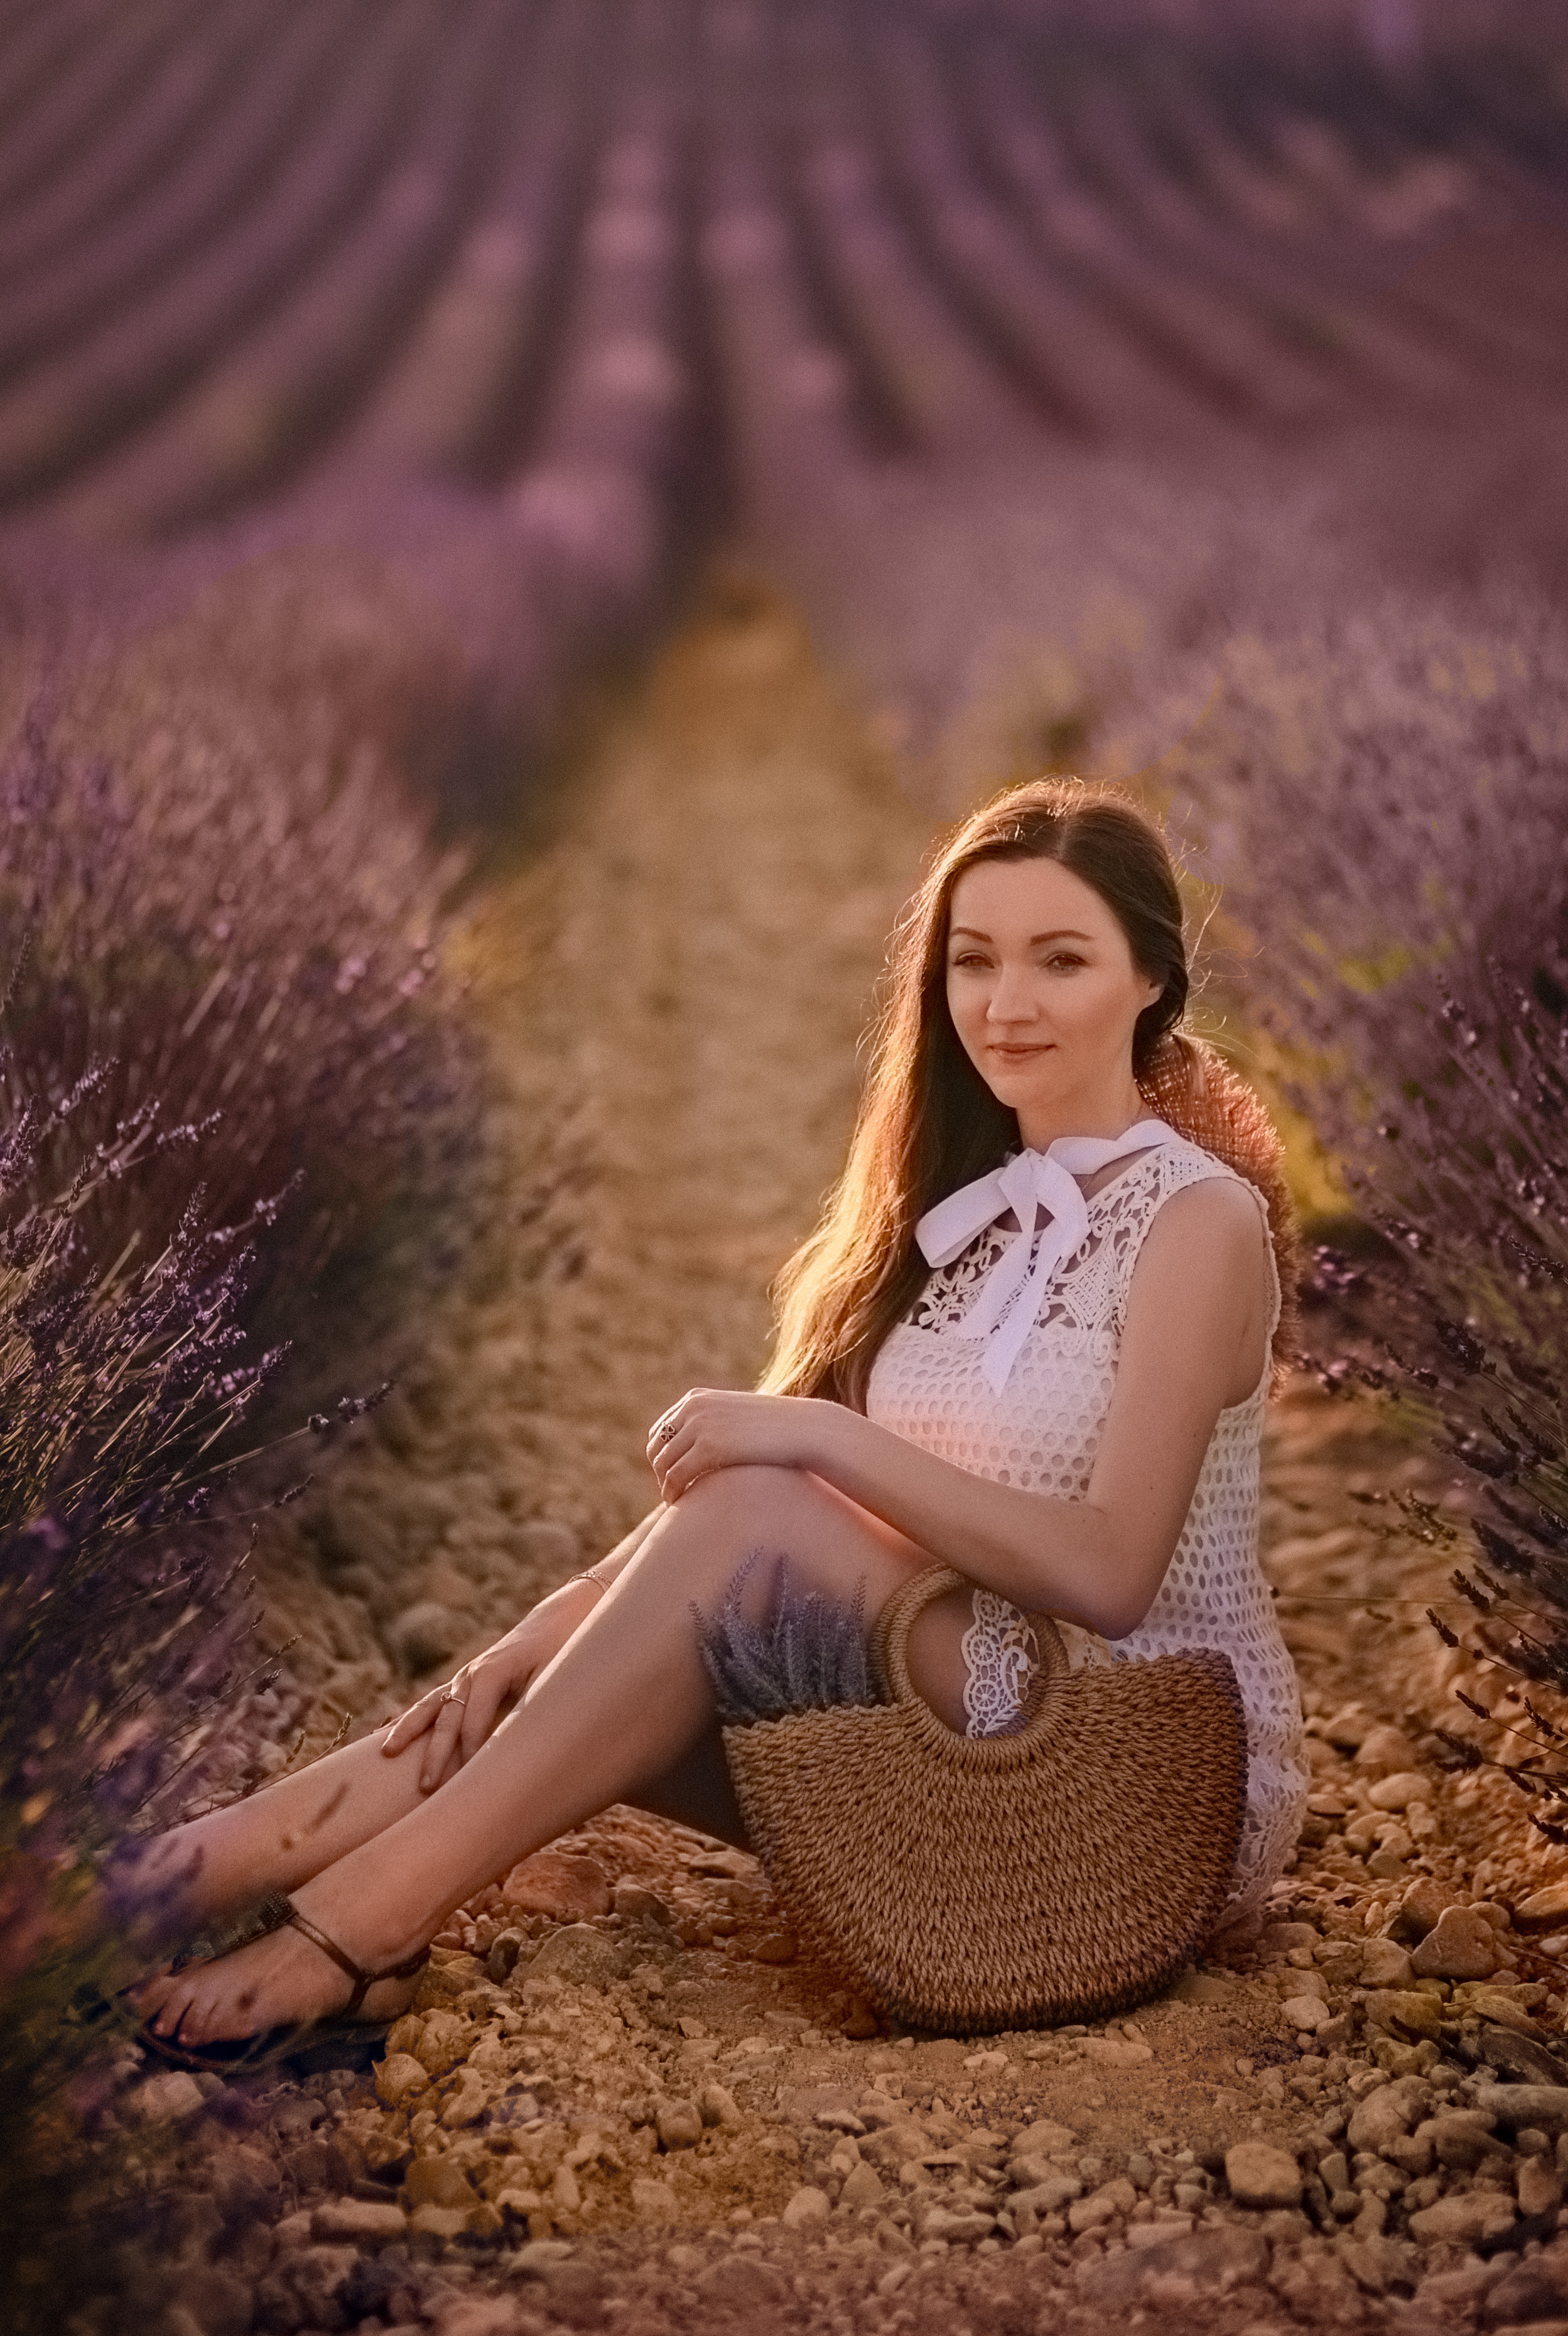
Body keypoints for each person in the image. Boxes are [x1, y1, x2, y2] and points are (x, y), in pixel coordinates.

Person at [132, 781, 1307, 2057]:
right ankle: (174, 1877)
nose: (1005, 1002)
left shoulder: (1197, 1220)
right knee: (558, 1686)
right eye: (973, 961)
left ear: (1149, 979)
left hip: (1135, 1794)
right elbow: (825, 1547)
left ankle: (362, 1921)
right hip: (947, 1741)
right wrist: (540, 1632)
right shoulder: (969, 1212)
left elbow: (1110, 1574)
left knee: (750, 1507)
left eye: (1059, 960)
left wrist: (824, 1436)